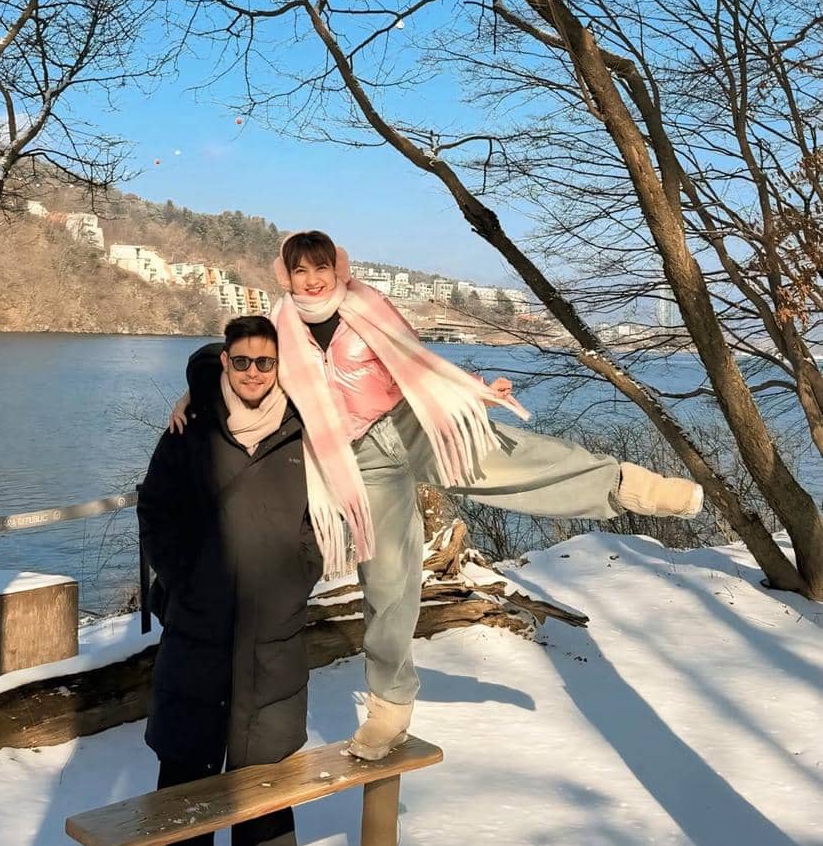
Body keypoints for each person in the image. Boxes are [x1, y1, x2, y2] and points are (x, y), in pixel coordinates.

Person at [171, 232, 702, 763]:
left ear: (337, 269)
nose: (312, 280)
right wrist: (195, 393)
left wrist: (474, 390)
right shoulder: (280, 326)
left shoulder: (368, 304)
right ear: (286, 276)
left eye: (320, 268)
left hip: (414, 425)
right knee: (387, 586)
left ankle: (629, 486)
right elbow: (242, 360)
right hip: (358, 461)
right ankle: (390, 707)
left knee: (512, 458)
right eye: (300, 271)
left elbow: (417, 359)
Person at [139, 315, 322, 846]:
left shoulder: (304, 427)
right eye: (241, 361)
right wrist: (183, 579)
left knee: (264, 749)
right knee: (187, 749)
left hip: (273, 616)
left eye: (265, 362)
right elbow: (155, 507)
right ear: (224, 362)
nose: (252, 373)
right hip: (199, 616)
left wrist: (300, 572)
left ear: (279, 366)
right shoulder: (190, 427)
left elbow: (328, 511)